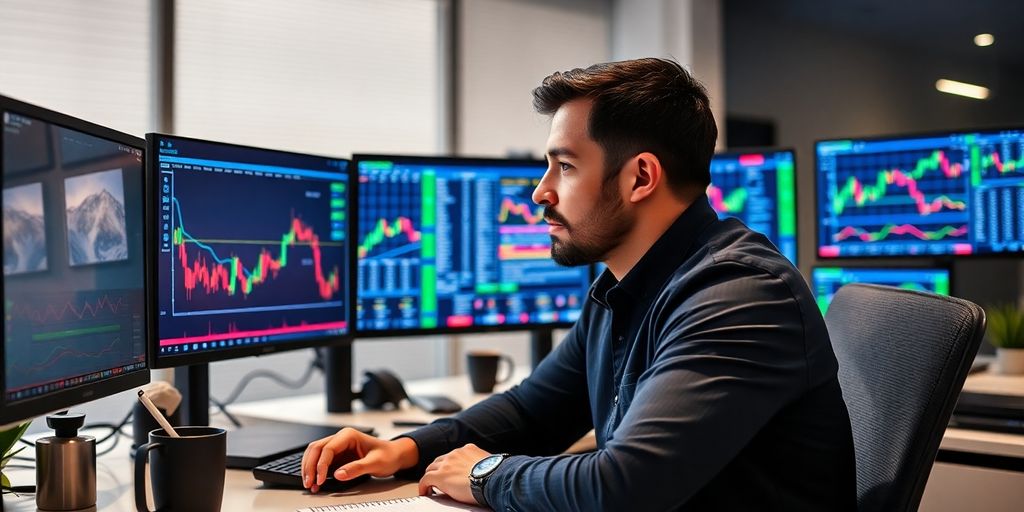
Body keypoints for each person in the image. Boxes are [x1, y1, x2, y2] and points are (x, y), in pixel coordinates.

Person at [302, 58, 857, 511]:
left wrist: (486, 472)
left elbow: (627, 486)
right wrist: (403, 449)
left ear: (640, 176)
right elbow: (533, 412)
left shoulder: (739, 294)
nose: (540, 192)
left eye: (564, 167)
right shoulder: (627, 284)